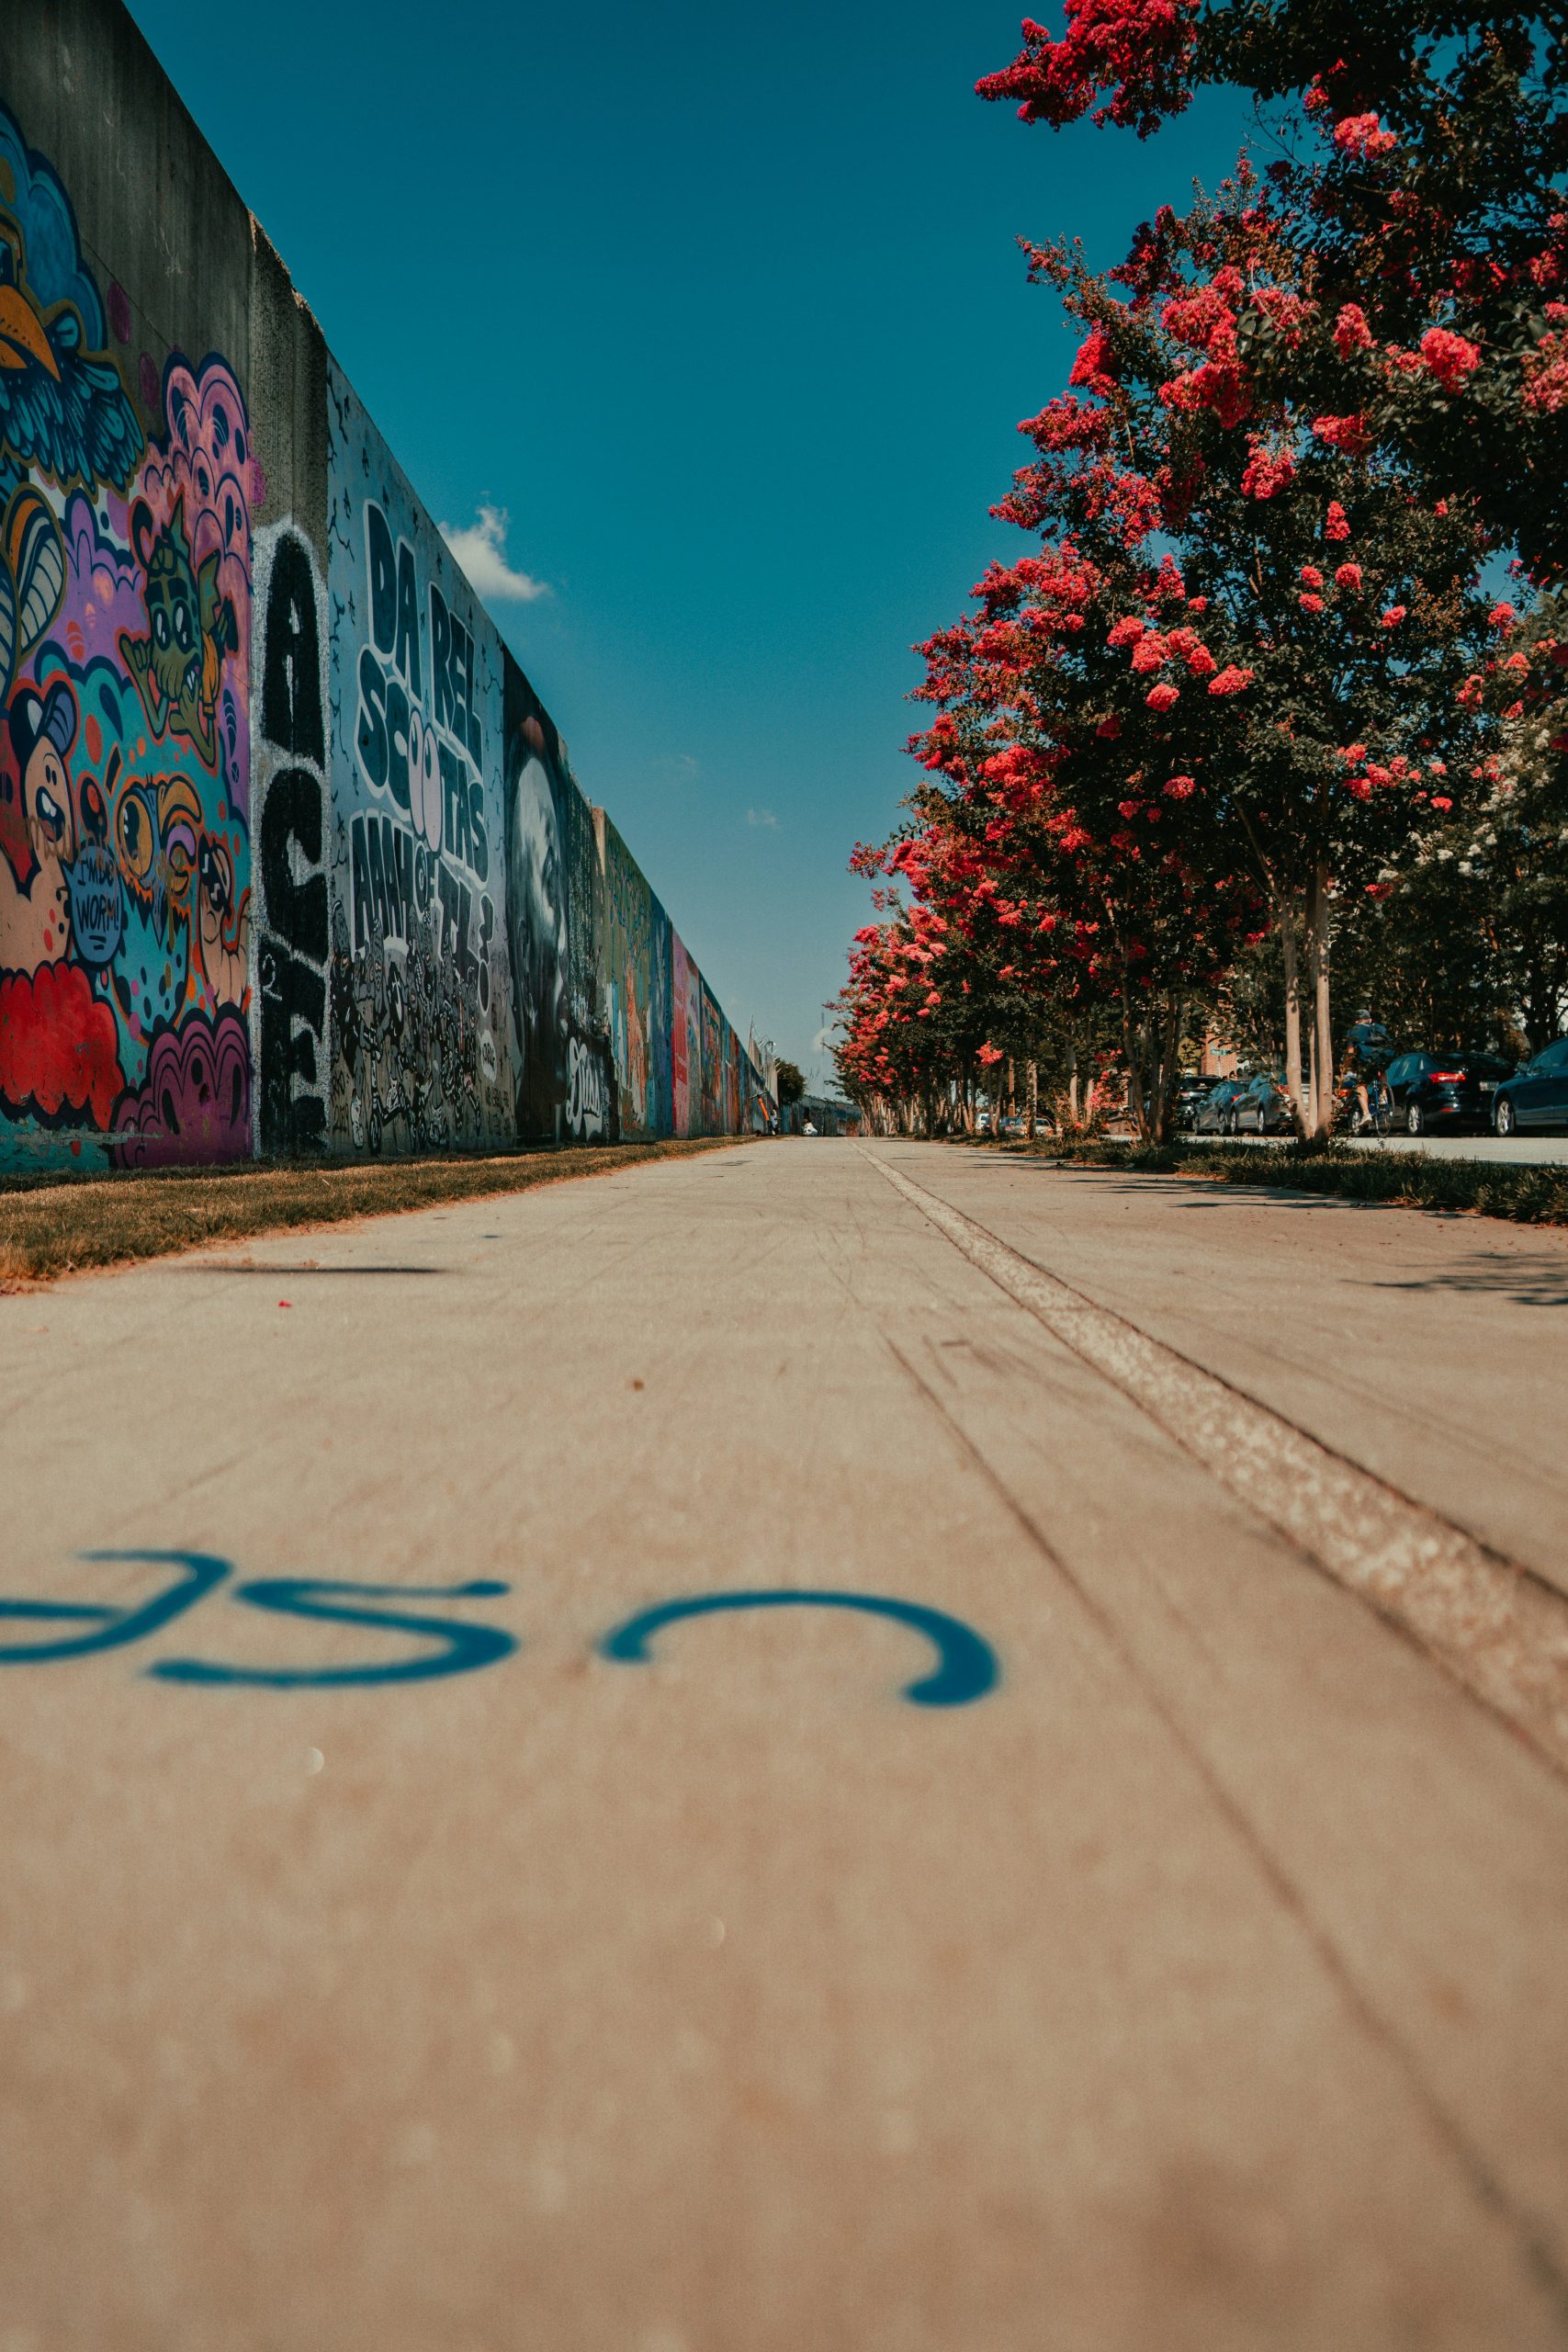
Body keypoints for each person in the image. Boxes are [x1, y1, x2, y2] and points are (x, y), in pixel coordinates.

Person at [1344, 1006, 1393, 1130]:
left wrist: (1346, 1067)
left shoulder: (1354, 1030)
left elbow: (1350, 1053)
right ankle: (1383, 1093)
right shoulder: (1380, 1028)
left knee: (1361, 1085)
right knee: (1382, 1068)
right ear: (1370, 1020)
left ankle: (1366, 1114)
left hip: (1366, 1062)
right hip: (1383, 1058)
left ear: (1356, 1021)